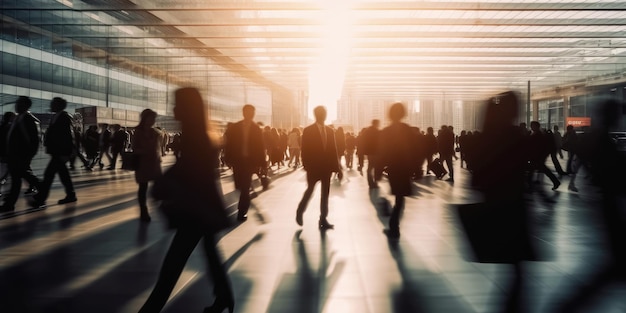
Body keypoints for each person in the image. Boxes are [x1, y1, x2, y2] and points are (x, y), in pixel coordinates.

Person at [139, 87, 234, 313]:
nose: (174, 108)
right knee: (209, 254)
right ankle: (224, 297)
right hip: (203, 208)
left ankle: (150, 309)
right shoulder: (203, 132)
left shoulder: (196, 135)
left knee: (174, 262)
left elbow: (188, 167)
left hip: (196, 211)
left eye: (177, 104)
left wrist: (161, 183)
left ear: (187, 108)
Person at [295, 106, 341, 230]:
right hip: (313, 168)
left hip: (326, 168)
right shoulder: (308, 131)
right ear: (316, 115)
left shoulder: (330, 131)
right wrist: (306, 165)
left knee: (325, 194)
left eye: (325, 113)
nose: (324, 116)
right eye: (322, 114)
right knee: (310, 190)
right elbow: (304, 150)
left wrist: (337, 168)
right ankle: (300, 211)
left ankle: (323, 219)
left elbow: (333, 150)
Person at [377, 103, 416, 239]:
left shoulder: (386, 131)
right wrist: (415, 168)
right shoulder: (407, 129)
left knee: (399, 196)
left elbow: (382, 153)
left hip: (393, 168)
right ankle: (394, 225)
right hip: (404, 168)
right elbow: (414, 150)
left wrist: (378, 169)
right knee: (400, 197)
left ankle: (394, 225)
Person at [30, 97, 77, 207]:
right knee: (63, 174)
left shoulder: (64, 117)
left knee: (49, 175)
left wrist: (66, 153)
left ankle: (41, 198)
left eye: (53, 103)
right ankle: (71, 194)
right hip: (57, 152)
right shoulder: (56, 116)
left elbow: (68, 136)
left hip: (60, 152)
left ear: (58, 105)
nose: (51, 105)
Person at [222, 104, 266, 221]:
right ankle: (245, 199)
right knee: (239, 186)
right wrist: (228, 158)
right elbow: (229, 144)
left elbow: (260, 147)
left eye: (252, 113)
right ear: (244, 113)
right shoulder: (235, 127)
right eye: (249, 112)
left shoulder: (256, 129)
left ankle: (242, 212)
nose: (251, 115)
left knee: (245, 187)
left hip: (250, 162)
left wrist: (263, 164)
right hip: (238, 161)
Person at [0, 96, 41, 213]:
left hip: (20, 156)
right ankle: (9, 204)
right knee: (18, 179)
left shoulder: (27, 119)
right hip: (14, 156)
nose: (16, 105)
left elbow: (33, 140)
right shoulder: (19, 119)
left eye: (19, 103)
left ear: (26, 106)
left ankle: (43, 191)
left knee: (24, 177)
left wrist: (28, 157)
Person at [132, 109, 162, 222]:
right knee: (143, 187)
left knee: (158, 186)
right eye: (151, 118)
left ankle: (158, 207)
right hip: (142, 164)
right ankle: (143, 211)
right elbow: (134, 148)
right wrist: (145, 151)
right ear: (145, 118)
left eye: (154, 119)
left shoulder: (155, 132)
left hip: (154, 163)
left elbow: (157, 148)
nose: (153, 121)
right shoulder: (138, 131)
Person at [361, 119, 381, 188]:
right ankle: (375, 182)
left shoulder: (367, 131)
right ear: (376, 124)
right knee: (375, 167)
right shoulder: (377, 131)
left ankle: (370, 182)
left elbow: (363, 141)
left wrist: (364, 151)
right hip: (376, 152)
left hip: (369, 152)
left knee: (370, 167)